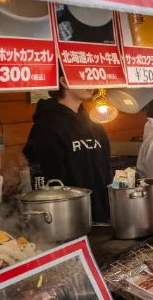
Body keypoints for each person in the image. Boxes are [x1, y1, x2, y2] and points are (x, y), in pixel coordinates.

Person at [23, 76, 112, 223]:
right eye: (84, 78)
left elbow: (106, 169)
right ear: (64, 81)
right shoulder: (47, 125)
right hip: (68, 220)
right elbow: (46, 182)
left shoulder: (94, 122)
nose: (92, 84)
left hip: (101, 217)